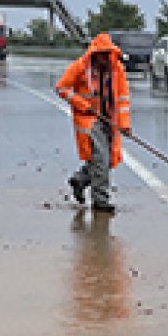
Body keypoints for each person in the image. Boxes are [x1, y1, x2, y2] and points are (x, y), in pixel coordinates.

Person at [56, 33, 131, 212]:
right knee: (101, 160)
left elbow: (122, 99)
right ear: (94, 53)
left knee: (109, 160)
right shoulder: (80, 67)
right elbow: (62, 88)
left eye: (107, 54)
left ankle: (80, 179)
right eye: (101, 54)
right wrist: (83, 105)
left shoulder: (117, 70)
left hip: (109, 120)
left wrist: (124, 124)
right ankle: (100, 200)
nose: (104, 58)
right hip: (89, 120)